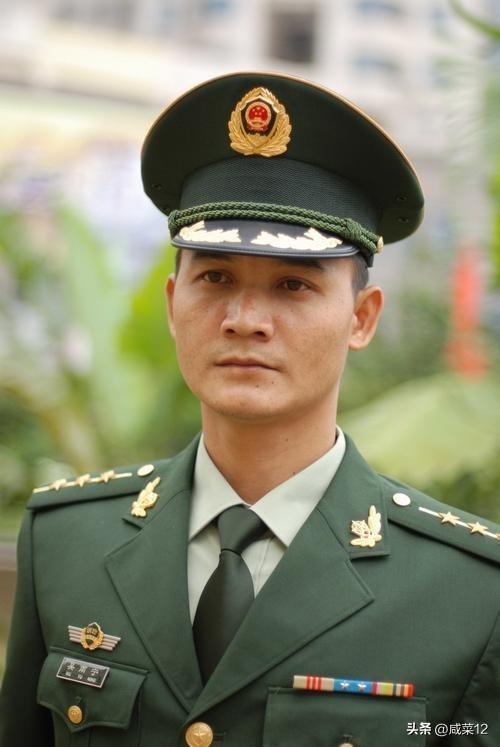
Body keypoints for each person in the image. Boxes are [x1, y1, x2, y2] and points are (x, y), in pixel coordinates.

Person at [1, 71, 499, 747]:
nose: (244, 319)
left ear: (361, 317)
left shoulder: (468, 592)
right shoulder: (67, 541)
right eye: (215, 277)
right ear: (172, 303)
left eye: (292, 285)